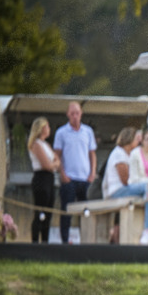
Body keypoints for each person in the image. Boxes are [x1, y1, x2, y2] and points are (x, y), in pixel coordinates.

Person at [53, 101, 97, 244]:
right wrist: (63, 174)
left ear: (81, 114)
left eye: (77, 113)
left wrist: (92, 173)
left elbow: (92, 154)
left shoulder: (88, 131)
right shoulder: (61, 132)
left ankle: (87, 240)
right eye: (72, 114)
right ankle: (65, 241)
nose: (75, 116)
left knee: (86, 211)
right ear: (68, 115)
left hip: (85, 178)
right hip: (69, 178)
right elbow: (57, 155)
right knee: (67, 212)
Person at [27, 117, 59, 243]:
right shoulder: (36, 144)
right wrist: (53, 165)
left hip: (50, 179)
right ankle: (35, 241)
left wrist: (54, 164)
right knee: (40, 212)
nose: (49, 129)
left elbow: (57, 161)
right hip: (41, 178)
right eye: (47, 126)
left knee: (48, 212)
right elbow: (47, 165)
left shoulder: (46, 145)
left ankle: (45, 241)